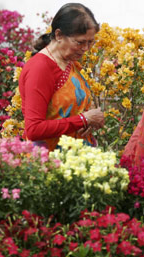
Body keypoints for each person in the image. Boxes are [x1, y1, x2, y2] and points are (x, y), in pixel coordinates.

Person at [19, 3, 104, 151]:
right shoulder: (41, 68)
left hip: (75, 158)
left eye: (90, 42)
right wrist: (83, 119)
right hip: (50, 163)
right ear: (58, 35)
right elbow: (34, 129)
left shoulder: (68, 62)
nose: (86, 49)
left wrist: (88, 122)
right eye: (80, 42)